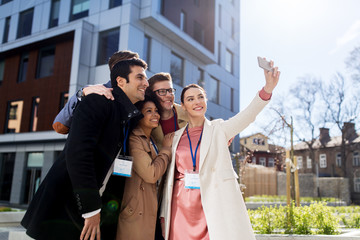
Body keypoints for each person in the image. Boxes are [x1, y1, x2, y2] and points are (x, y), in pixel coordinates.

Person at [21, 58, 149, 240]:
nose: (146, 83)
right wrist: (91, 210)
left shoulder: (129, 115)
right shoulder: (97, 101)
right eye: (140, 78)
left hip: (98, 209)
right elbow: (78, 154)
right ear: (120, 81)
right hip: (66, 206)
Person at [160, 60, 280, 240]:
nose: (197, 102)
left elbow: (248, 115)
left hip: (213, 204)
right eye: (190, 99)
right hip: (180, 205)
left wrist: (267, 89)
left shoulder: (219, 129)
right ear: (183, 106)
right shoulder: (174, 137)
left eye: (200, 97)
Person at [115, 95, 174, 239]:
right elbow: (151, 174)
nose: (155, 115)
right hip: (136, 211)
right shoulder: (134, 139)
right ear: (138, 115)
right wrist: (166, 149)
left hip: (149, 207)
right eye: (149, 111)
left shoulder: (151, 139)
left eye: (156, 110)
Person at [52, 50, 139, 134]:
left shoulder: (139, 96)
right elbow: (60, 125)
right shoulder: (95, 91)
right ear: (115, 69)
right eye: (132, 65)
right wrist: (81, 94)